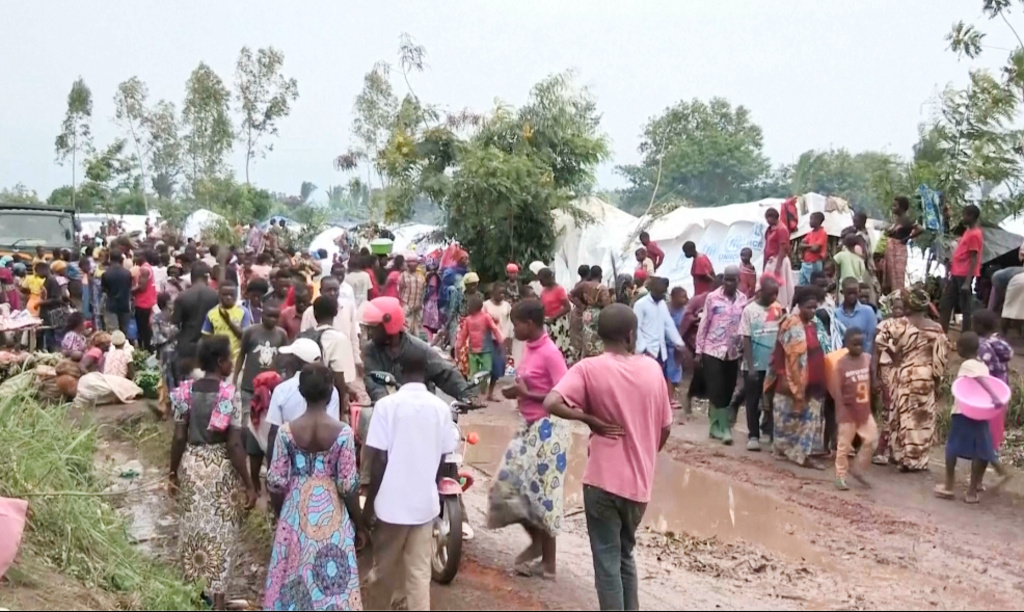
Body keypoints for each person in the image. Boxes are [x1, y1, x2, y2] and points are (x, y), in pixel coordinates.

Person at [543, 304, 672, 612]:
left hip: (602, 482)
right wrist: (645, 452)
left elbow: (551, 401)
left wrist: (589, 419)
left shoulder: (589, 368)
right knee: (626, 555)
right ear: (631, 335)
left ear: (599, 335)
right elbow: (665, 428)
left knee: (606, 561)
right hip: (639, 485)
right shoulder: (653, 369)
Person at [363, 347, 459, 611]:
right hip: (423, 507)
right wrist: (430, 487)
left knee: (383, 572)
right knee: (418, 574)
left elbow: (379, 461)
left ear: (398, 372)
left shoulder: (386, 406)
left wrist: (370, 505)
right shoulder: (441, 409)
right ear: (427, 372)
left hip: (391, 507)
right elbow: (443, 458)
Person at [263, 363, 364, 611]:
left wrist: (283, 517)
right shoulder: (343, 433)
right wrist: (359, 525)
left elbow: (276, 482)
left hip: (295, 511)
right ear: (332, 392)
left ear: (301, 391)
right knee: (332, 579)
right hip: (332, 514)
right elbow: (348, 485)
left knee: (293, 575)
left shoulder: (286, 433)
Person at [168, 335, 256, 611]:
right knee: (221, 535)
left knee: (193, 531)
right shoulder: (229, 395)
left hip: (192, 464)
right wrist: (250, 484)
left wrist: (172, 472)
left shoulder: (184, 392)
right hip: (220, 469)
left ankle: (195, 597)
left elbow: (179, 436)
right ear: (221, 362)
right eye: (230, 358)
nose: (232, 364)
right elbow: (233, 444)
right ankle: (218, 601)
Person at [491, 299, 570, 578]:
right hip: (529, 426)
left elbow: (565, 394)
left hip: (549, 429)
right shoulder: (530, 348)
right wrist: (518, 391)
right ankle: (537, 541)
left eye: (517, 323)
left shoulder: (550, 353)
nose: (514, 328)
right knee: (508, 487)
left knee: (544, 495)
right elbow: (531, 384)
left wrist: (527, 394)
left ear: (531, 324)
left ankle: (549, 563)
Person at [874, 285, 949, 471]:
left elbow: (878, 341)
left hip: (903, 374)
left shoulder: (898, 324)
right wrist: (937, 382)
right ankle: (916, 459)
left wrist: (894, 356)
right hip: (925, 376)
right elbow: (940, 359)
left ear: (908, 304)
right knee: (921, 418)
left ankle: (900, 455)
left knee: (901, 414)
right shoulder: (936, 328)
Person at [361, 297, 476, 404]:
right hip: (389, 413)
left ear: (389, 325)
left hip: (422, 410)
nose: (370, 332)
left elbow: (445, 372)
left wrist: (466, 393)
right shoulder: (370, 351)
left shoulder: (418, 349)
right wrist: (387, 404)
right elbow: (374, 384)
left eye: (374, 328)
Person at [934, 332, 1004, 503]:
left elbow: (979, 379)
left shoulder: (968, 364)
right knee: (980, 450)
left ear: (962, 349)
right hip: (980, 412)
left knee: (952, 447)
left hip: (963, 412)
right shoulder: (982, 365)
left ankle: (948, 486)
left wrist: (994, 396)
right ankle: (972, 491)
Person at [767, 286, 828, 469]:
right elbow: (780, 354)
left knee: (809, 419)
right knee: (787, 417)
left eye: (814, 308)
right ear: (799, 306)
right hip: (791, 379)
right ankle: (785, 450)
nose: (812, 311)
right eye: (808, 307)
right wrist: (783, 376)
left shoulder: (815, 325)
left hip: (814, 380)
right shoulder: (789, 325)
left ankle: (803, 453)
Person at [234, 302, 288, 489]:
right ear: (261, 315)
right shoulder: (250, 332)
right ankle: (245, 462)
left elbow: (282, 359)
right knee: (247, 425)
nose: (272, 320)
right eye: (268, 316)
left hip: (271, 389)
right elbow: (242, 355)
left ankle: (264, 462)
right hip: (250, 386)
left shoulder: (281, 334)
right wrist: (235, 378)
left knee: (266, 426)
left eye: (275, 316)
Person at [265, 338, 344, 466]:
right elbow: (332, 430)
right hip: (322, 468)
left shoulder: (282, 390)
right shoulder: (330, 389)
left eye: (291, 357)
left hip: (290, 465)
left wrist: (271, 468)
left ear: (296, 362)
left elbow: (273, 434)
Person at [696, 266, 748, 444]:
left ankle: (714, 426)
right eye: (726, 279)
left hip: (732, 352)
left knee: (728, 390)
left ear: (738, 281)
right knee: (716, 389)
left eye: (733, 280)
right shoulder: (712, 298)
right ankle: (725, 429)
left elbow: (742, 325)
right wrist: (698, 350)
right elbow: (704, 324)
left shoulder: (743, 299)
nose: (729, 283)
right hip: (712, 349)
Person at [829, 327, 877, 491]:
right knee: (844, 446)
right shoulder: (841, 365)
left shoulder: (867, 359)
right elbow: (838, 391)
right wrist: (840, 413)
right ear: (846, 345)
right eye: (854, 344)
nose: (858, 347)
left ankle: (858, 469)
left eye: (861, 344)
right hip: (848, 412)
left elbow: (872, 378)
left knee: (870, 439)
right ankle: (840, 476)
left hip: (864, 410)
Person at [739, 277, 783, 451]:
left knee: (773, 402)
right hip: (755, 364)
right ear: (761, 292)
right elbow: (746, 339)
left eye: (776, 293)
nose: (774, 297)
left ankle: (772, 435)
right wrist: (751, 366)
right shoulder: (749, 310)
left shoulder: (778, 308)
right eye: (771, 293)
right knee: (753, 400)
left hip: (773, 365)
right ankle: (753, 435)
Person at [940, 204, 984, 332]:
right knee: (946, 303)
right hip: (957, 272)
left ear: (971, 216)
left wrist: (967, 281)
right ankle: (942, 333)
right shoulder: (969, 232)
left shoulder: (974, 234)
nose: (963, 218)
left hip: (964, 274)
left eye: (965, 215)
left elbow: (974, 258)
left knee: (965, 307)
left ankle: (965, 335)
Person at [173, 263, 220, 378]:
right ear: (206, 277)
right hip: (209, 344)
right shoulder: (215, 296)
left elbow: (175, 323)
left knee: (185, 381)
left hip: (186, 344)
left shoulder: (182, 296)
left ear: (191, 277)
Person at [633, 277, 685, 373]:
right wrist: (643, 348)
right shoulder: (641, 304)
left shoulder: (662, 305)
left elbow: (669, 325)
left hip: (661, 351)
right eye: (660, 292)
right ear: (653, 290)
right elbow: (636, 327)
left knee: (661, 379)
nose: (662, 295)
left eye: (663, 292)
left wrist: (679, 342)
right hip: (647, 351)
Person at [457, 294, 504, 401]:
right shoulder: (468, 320)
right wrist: (458, 347)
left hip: (485, 349)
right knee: (474, 373)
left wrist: (500, 341)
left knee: (486, 370)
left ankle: (482, 390)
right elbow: (463, 335)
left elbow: (494, 329)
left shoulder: (485, 317)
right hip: (473, 350)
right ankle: (475, 394)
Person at [201, 282, 252, 364]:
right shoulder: (212, 313)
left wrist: (229, 322)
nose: (228, 297)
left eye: (232, 295)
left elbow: (244, 336)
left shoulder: (243, 312)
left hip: (236, 360)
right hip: (217, 360)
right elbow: (206, 338)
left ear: (236, 296)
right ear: (219, 295)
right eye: (225, 295)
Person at [569, 265, 612, 359]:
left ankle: (587, 355)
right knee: (598, 337)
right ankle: (597, 356)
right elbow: (607, 305)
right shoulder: (602, 288)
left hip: (587, 313)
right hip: (598, 314)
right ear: (600, 275)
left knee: (587, 335)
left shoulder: (584, 285)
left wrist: (581, 306)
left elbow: (570, 295)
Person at [884, 196, 923, 293]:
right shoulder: (897, 219)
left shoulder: (907, 219)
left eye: (895, 206)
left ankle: (898, 297)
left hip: (898, 250)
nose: (893, 208)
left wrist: (907, 238)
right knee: (890, 276)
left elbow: (921, 229)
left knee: (898, 276)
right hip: (892, 249)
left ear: (902, 208)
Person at [538, 268, 574, 364]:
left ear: (549, 278)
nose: (540, 283)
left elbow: (567, 307)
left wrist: (553, 318)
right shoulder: (544, 291)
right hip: (547, 322)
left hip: (558, 322)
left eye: (542, 280)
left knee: (559, 346)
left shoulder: (559, 290)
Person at [834, 277, 877, 356]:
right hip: (843, 359)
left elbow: (871, 339)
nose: (852, 296)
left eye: (855, 293)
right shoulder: (836, 314)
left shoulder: (868, 312)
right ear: (842, 292)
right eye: (849, 293)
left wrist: (865, 358)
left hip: (865, 357)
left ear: (859, 292)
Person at [484, 282, 513, 396]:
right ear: (492, 293)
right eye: (499, 293)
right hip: (488, 339)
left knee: (498, 366)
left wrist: (508, 339)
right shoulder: (485, 305)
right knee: (488, 365)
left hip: (501, 339)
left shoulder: (506, 306)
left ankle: (490, 392)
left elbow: (510, 322)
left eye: (503, 293)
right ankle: (484, 391)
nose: (501, 295)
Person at [763, 207, 794, 308]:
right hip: (771, 261)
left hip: (779, 261)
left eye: (768, 218)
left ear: (773, 217)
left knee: (780, 286)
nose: (767, 221)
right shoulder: (770, 229)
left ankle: (782, 305)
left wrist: (778, 267)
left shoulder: (781, 229)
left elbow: (783, 248)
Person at [664, 287, 688, 405]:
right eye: (682, 296)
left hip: (678, 347)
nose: (685, 299)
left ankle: (670, 397)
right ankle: (668, 399)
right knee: (668, 373)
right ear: (673, 297)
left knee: (675, 373)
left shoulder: (685, 311)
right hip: (666, 346)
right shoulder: (666, 310)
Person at [133, 250, 158, 351]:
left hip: (143, 303)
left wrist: (129, 291)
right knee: (147, 329)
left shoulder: (144, 269)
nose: (134, 259)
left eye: (136, 256)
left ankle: (146, 350)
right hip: (149, 302)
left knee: (143, 329)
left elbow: (142, 287)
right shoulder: (148, 267)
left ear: (141, 256)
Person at [399, 256, 425, 337]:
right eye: (411, 262)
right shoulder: (403, 276)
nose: (413, 264)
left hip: (418, 307)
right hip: (406, 306)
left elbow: (423, 291)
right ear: (408, 264)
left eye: (415, 262)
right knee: (406, 329)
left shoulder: (421, 277)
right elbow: (399, 289)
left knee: (417, 331)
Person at [799, 212, 828, 285]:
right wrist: (810, 246)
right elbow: (801, 245)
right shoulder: (810, 233)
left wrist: (806, 246)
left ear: (818, 221)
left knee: (813, 284)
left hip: (814, 263)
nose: (810, 222)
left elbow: (815, 248)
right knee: (802, 283)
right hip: (806, 263)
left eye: (811, 219)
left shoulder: (822, 233)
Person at [422, 261, 442, 340]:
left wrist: (426, 297)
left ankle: (429, 338)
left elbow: (432, 288)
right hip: (434, 300)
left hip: (431, 300)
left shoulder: (433, 276)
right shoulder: (436, 276)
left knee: (429, 322)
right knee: (431, 322)